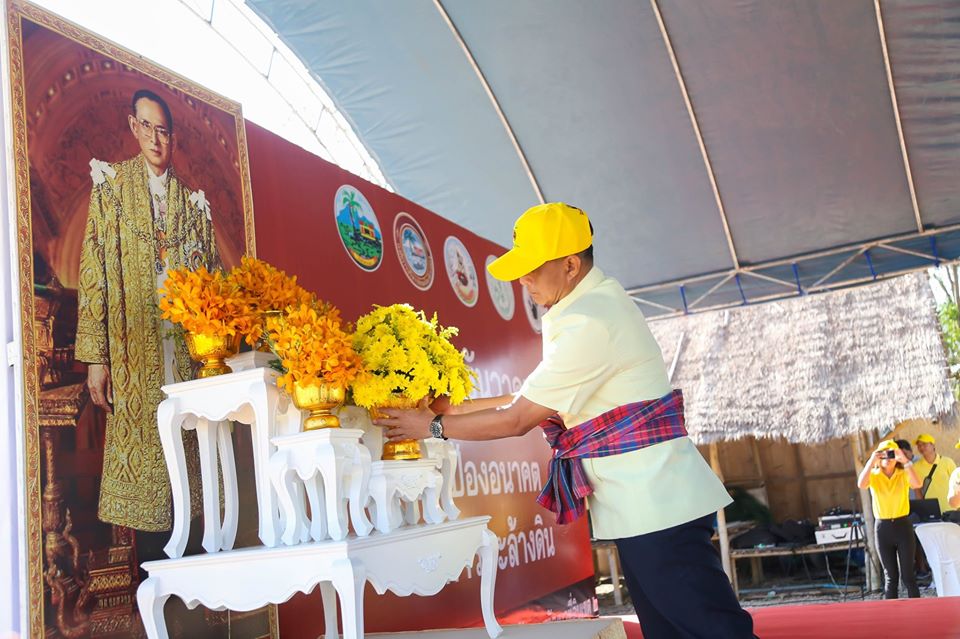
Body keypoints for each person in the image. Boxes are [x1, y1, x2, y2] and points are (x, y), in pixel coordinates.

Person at [378, 203, 756, 638]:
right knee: (672, 630)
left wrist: (430, 428)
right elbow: (537, 400)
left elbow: (519, 418)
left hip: (658, 505)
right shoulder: (590, 306)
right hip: (647, 506)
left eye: (532, 269)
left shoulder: (590, 321)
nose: (523, 280)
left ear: (571, 265)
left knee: (713, 630)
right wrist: (452, 410)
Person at [75, 89, 219, 535]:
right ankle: (150, 552)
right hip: (132, 348)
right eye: (147, 128)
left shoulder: (193, 204)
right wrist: (96, 358)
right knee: (144, 439)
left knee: (190, 443)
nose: (155, 139)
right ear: (133, 127)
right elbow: (94, 272)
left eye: (163, 131)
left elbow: (213, 283)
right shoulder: (112, 187)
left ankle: (192, 540)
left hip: (184, 347)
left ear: (172, 137)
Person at [857, 439, 922, 599]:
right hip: (883, 528)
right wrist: (872, 461)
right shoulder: (874, 475)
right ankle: (891, 612)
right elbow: (861, 484)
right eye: (883, 454)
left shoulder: (903, 472)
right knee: (890, 577)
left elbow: (917, 484)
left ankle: (919, 610)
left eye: (891, 453)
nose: (887, 457)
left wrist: (905, 461)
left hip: (903, 526)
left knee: (908, 576)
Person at [912, 433, 957, 513]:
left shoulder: (947, 462)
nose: (921, 447)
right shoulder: (915, 467)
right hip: (931, 510)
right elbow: (917, 491)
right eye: (919, 445)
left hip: (951, 509)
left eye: (924, 444)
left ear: (933, 445)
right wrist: (922, 509)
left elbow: (957, 485)